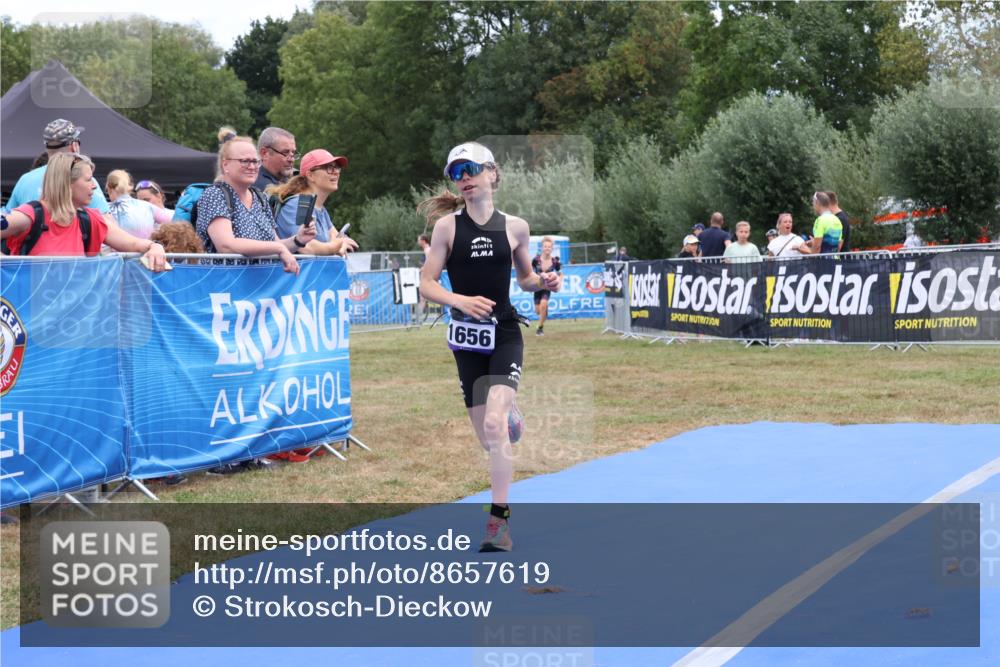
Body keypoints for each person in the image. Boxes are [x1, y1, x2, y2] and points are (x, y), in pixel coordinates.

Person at [418, 142, 561, 553]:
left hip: (503, 333)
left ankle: (498, 524)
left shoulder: (516, 227)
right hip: (466, 341)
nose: (463, 178)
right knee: (488, 437)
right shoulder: (447, 228)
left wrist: (544, 282)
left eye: (470, 169)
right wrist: (459, 301)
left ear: (492, 173)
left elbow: (526, 279)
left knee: (495, 428)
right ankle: (508, 413)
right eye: (455, 172)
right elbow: (426, 283)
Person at [1, 153, 167, 270]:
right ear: (67, 183)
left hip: (77, 316)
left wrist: (155, 247)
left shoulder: (89, 219)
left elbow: (132, 243)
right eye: (88, 180)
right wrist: (9, 266)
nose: (94, 185)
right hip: (32, 316)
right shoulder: (31, 214)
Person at [196, 134, 315, 275]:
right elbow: (226, 245)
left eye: (255, 161)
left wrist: (298, 240)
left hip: (260, 290)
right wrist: (279, 249)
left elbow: (276, 244)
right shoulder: (215, 195)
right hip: (225, 287)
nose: (252, 167)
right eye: (245, 161)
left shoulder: (260, 197)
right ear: (225, 164)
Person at [6, 119, 110, 213]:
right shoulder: (83, 180)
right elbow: (107, 223)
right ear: (74, 146)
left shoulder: (25, 180)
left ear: (47, 148)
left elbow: (7, 218)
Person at [269, 149, 359, 256]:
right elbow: (306, 247)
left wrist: (340, 243)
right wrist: (336, 246)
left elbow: (337, 237)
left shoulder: (320, 208)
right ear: (310, 175)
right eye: (329, 168)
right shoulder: (300, 204)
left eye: (337, 167)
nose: (336, 172)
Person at [105, 170, 174, 240]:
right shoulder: (148, 207)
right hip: (145, 249)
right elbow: (177, 221)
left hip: (112, 250)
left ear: (110, 189)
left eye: (107, 191)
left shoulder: (102, 210)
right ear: (128, 187)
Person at [531, 237, 563, 336]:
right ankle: (544, 311)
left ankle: (540, 328)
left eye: (549, 247)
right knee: (538, 311)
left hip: (547, 288)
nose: (547, 248)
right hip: (537, 286)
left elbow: (560, 274)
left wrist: (559, 283)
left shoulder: (555, 262)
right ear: (542, 247)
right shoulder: (535, 260)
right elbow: (530, 272)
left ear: (552, 248)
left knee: (544, 304)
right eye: (545, 246)